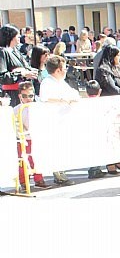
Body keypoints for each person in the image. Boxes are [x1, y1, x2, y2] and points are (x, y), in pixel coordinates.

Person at [39, 55, 81, 186]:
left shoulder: (61, 82)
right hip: (53, 120)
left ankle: (61, 171)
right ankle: (58, 174)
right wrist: (62, 100)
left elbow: (73, 93)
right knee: (55, 146)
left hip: (63, 119)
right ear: (57, 70)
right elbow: (46, 98)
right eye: (64, 68)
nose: (65, 70)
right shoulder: (47, 82)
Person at [94, 45, 120, 175]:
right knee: (110, 136)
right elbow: (112, 87)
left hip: (119, 108)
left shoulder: (117, 69)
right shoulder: (103, 70)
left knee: (119, 135)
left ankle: (119, 160)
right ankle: (110, 163)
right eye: (118, 55)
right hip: (109, 108)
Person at [14, 82, 52, 190]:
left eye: (30, 96)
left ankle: (39, 179)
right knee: (23, 160)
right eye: (24, 96)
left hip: (36, 137)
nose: (28, 99)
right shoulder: (17, 109)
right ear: (20, 96)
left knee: (37, 158)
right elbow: (16, 124)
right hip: (23, 139)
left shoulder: (38, 107)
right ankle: (23, 181)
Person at [1, 24, 39, 106]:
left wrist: (29, 71)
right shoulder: (3, 52)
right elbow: (2, 77)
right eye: (17, 35)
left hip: (27, 92)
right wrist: (21, 73)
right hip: (13, 95)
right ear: (10, 36)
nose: (19, 36)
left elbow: (25, 67)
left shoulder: (15, 50)